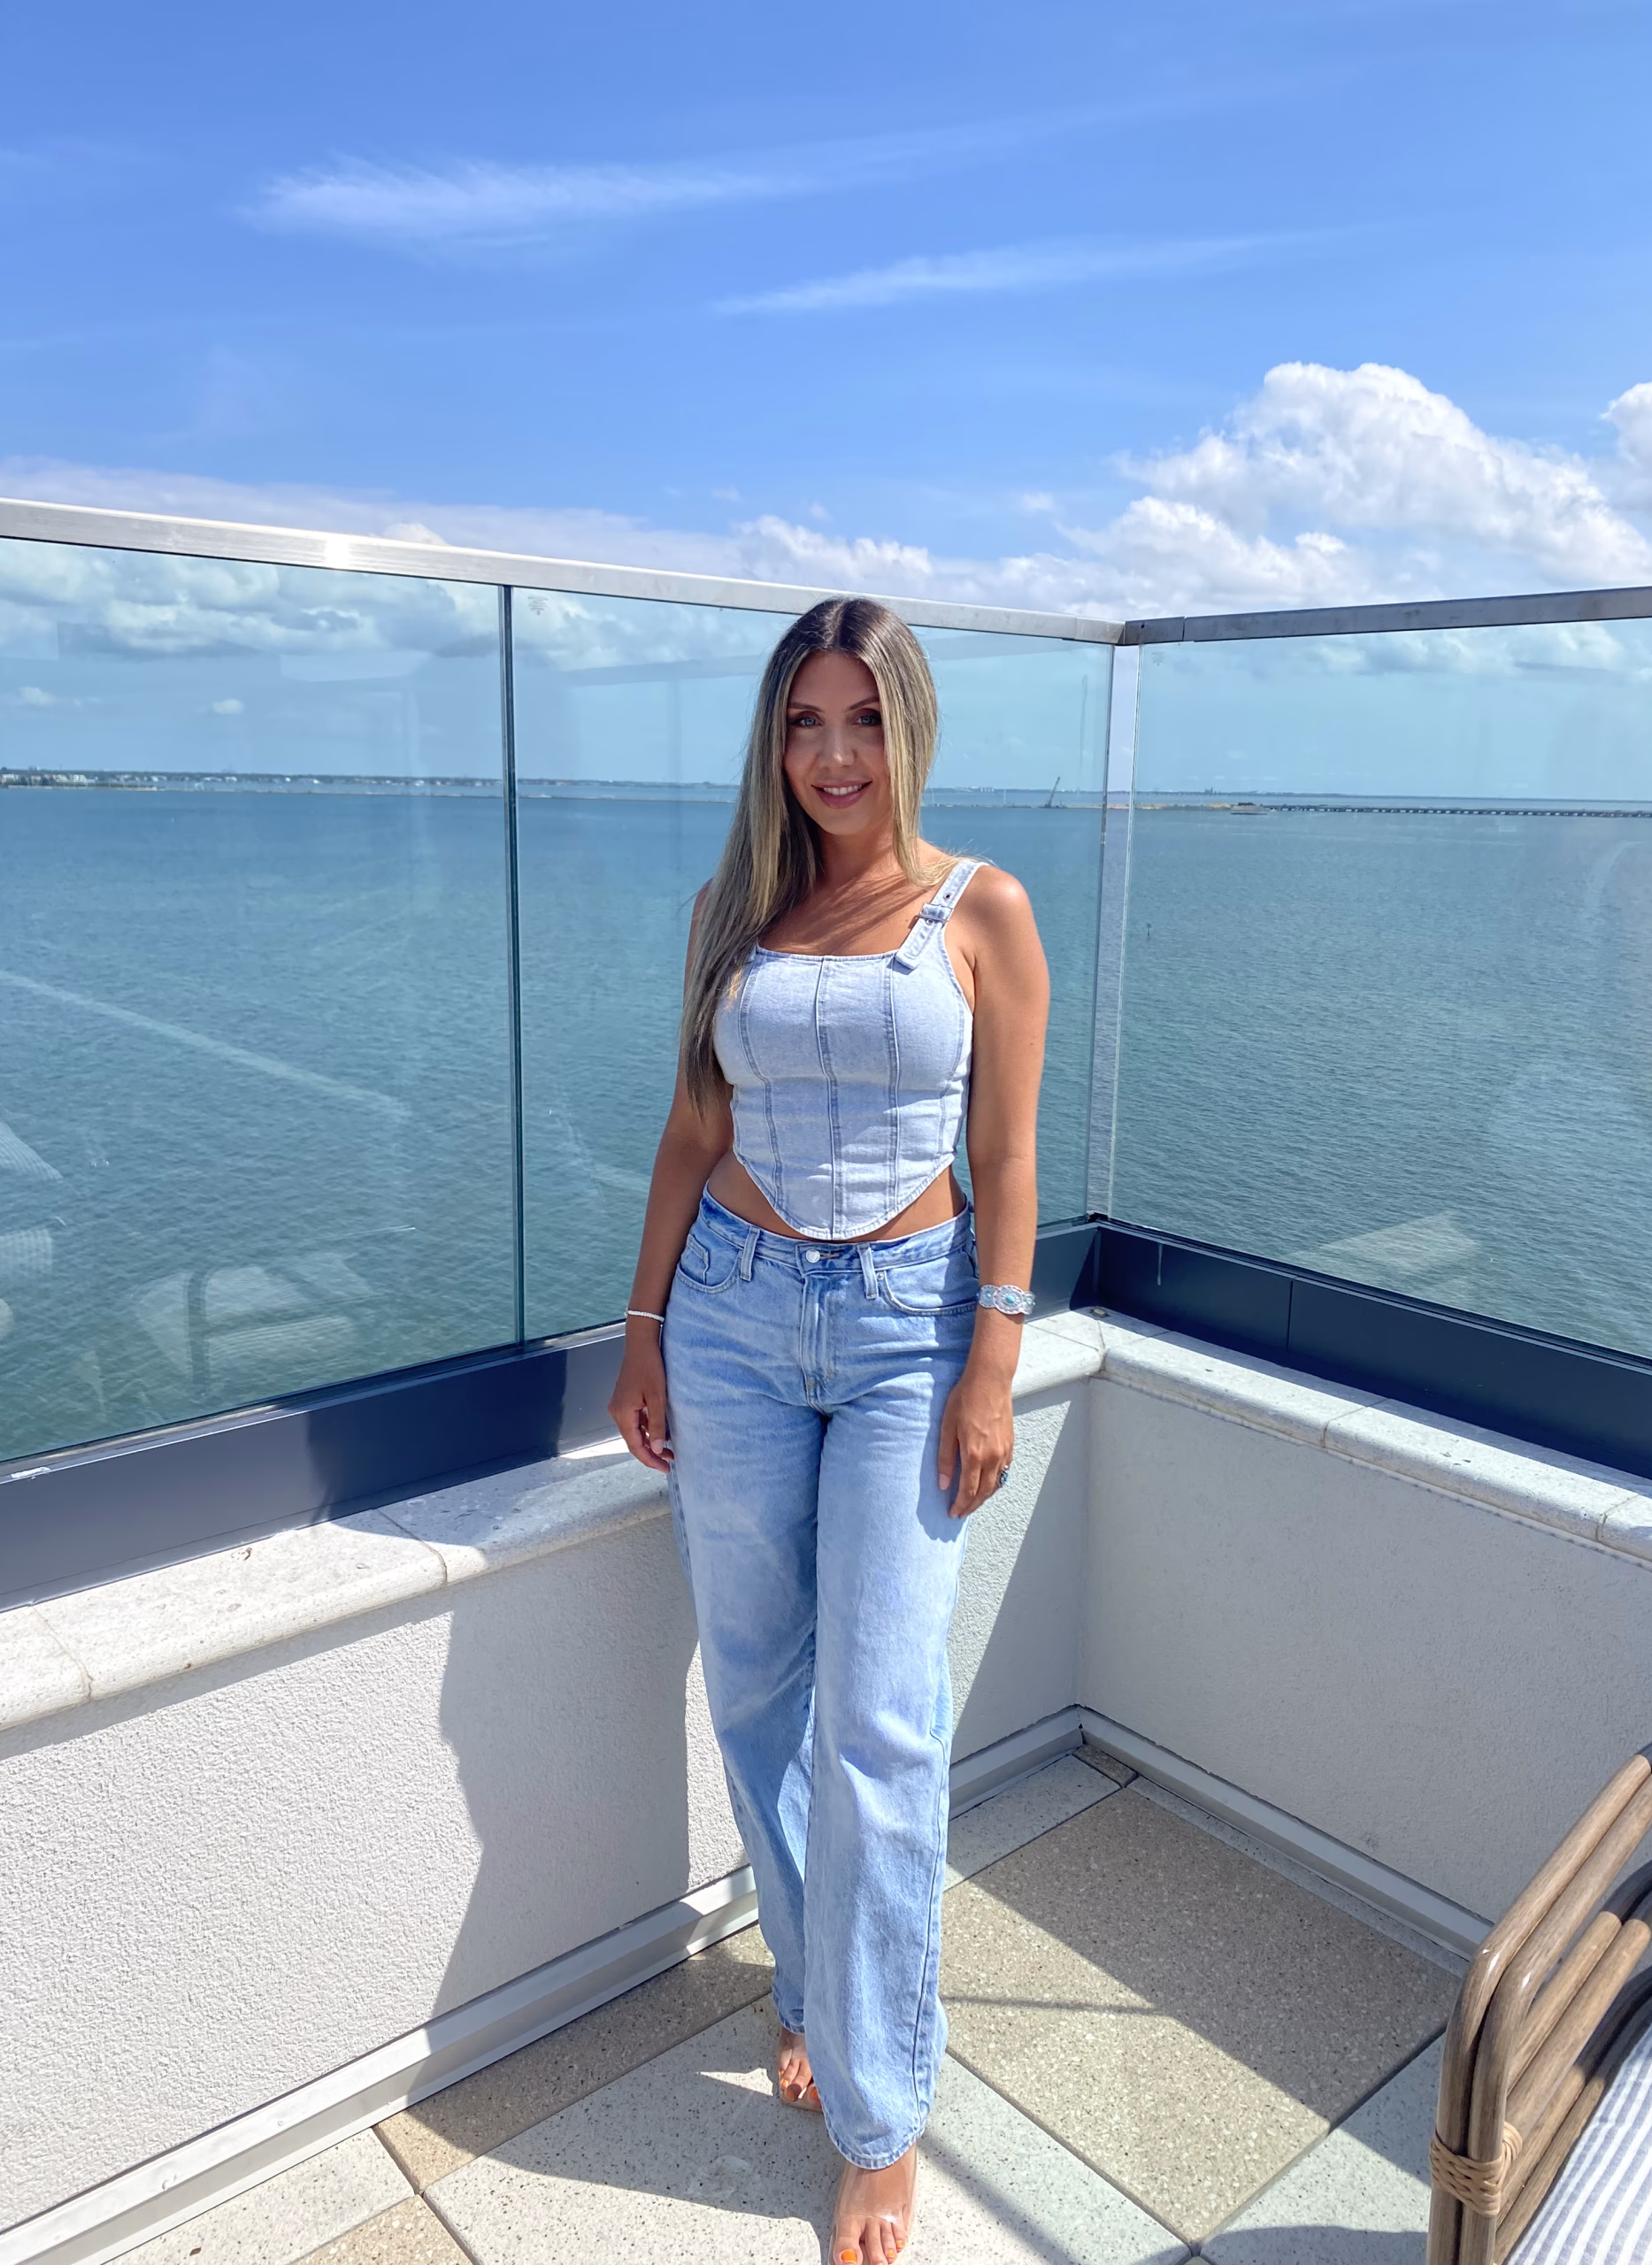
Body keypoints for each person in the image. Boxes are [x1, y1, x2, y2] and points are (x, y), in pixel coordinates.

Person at [609, 595, 1049, 2263]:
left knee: (881, 1726)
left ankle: (882, 2116)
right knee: (754, 1689)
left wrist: (992, 1359)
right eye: (805, 721)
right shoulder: (731, 910)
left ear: (909, 728)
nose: (834, 753)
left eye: (863, 718)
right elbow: (688, 1129)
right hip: (727, 1314)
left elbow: (1007, 1158)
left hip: (905, 1334)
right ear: (774, 739)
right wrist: (644, 1330)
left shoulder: (980, 909)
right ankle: (814, 1984)